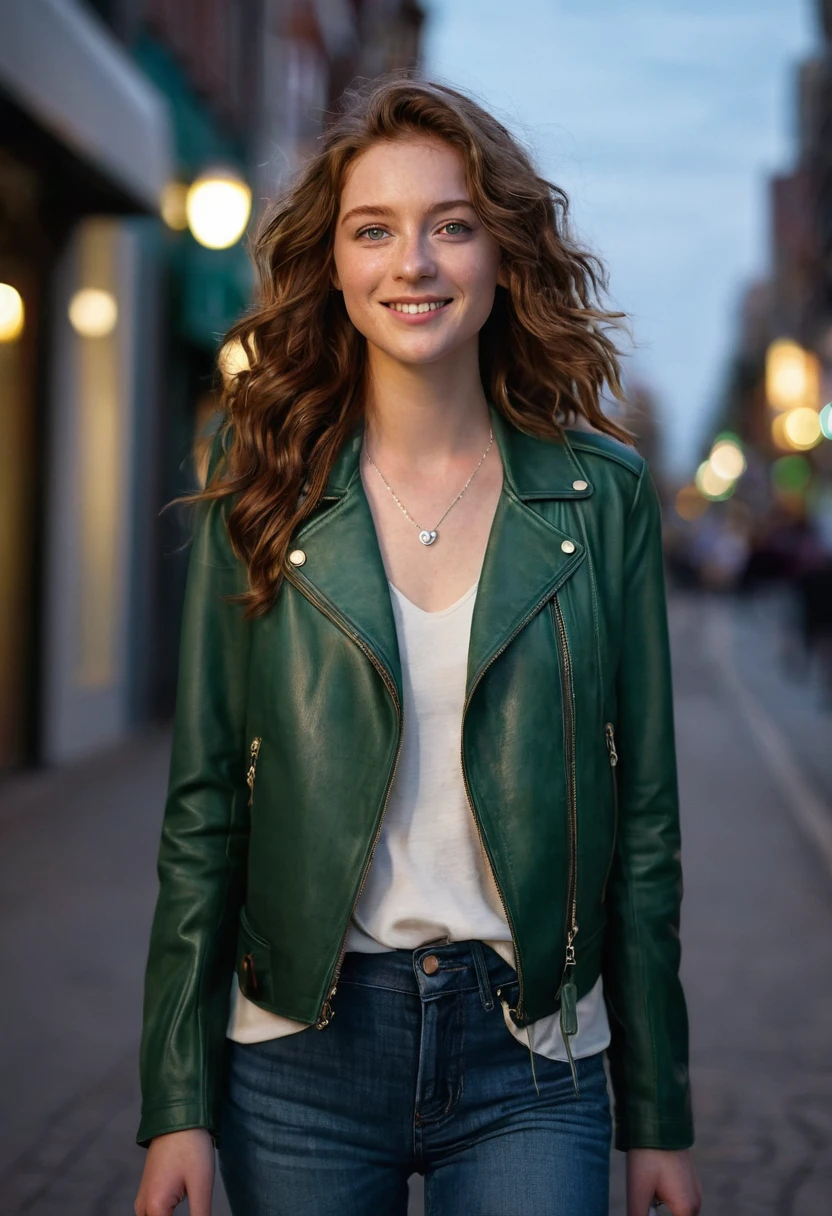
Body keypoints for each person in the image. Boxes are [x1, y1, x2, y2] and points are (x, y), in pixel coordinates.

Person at [134, 76, 702, 1216]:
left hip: (535, 1057)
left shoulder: (604, 499)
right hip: (298, 1053)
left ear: (501, 256)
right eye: (374, 230)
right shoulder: (263, 492)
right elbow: (204, 808)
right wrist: (175, 1104)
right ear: (333, 265)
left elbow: (643, 824)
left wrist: (657, 1118)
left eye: (452, 225)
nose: (416, 263)